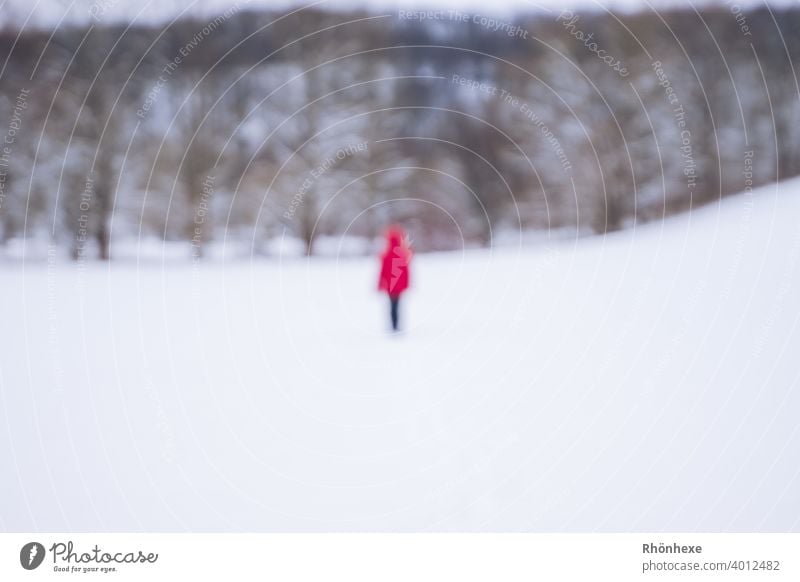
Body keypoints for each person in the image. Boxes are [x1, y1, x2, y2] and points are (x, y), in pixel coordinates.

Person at [378, 225, 412, 332]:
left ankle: (394, 325)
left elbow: (382, 273)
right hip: (399, 286)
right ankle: (395, 325)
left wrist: (380, 284)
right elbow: (406, 273)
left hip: (390, 286)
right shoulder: (403, 255)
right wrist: (406, 284)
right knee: (397, 305)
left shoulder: (385, 255)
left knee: (392, 305)